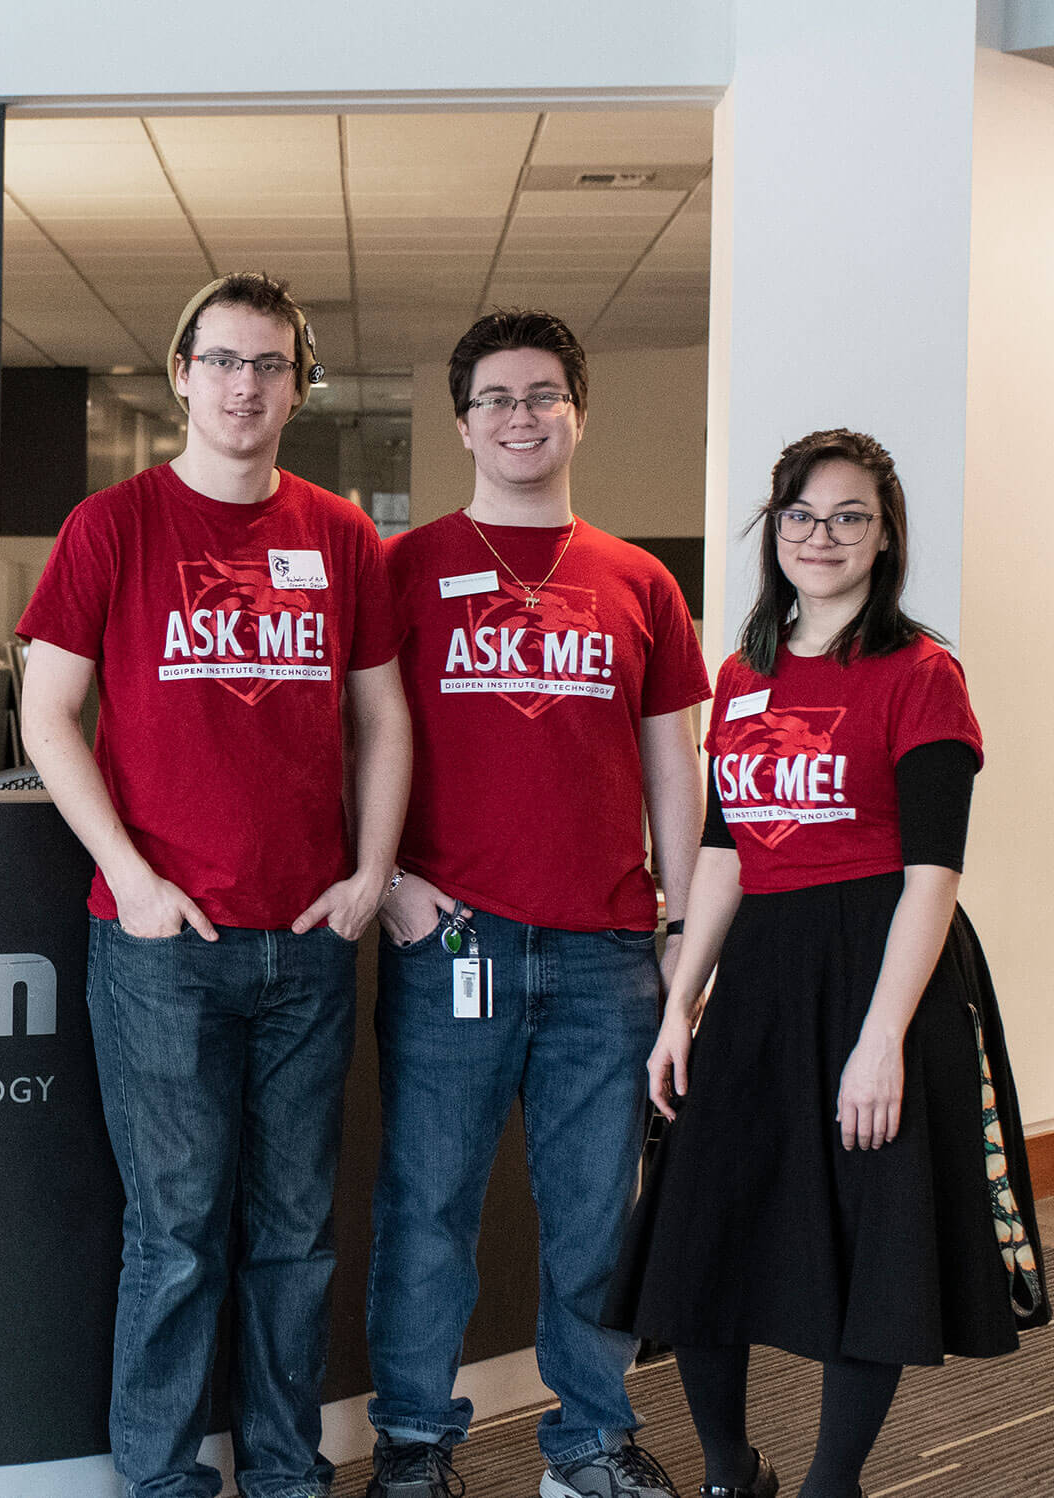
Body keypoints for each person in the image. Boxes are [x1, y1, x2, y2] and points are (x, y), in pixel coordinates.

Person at [15, 271, 408, 1498]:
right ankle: (163, 1482)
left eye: (270, 365)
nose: (245, 386)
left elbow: (383, 720)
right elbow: (45, 715)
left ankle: (290, 1476)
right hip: (160, 944)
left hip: (305, 944)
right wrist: (127, 877)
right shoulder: (111, 527)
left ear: (298, 385)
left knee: (292, 1239)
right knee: (176, 1240)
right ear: (181, 372)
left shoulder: (341, 535)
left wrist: (369, 875)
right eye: (223, 362)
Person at [612, 430, 1049, 1498]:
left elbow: (930, 875)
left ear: (883, 534)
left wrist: (880, 1041)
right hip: (758, 973)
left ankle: (829, 1482)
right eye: (800, 516)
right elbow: (724, 847)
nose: (821, 536)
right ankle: (728, 1469)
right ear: (775, 531)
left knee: (869, 1230)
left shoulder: (920, 672)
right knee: (702, 1229)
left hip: (880, 966)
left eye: (848, 515)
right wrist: (681, 1006)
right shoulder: (744, 672)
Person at [364, 311, 707, 1498]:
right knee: (426, 1210)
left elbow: (676, 766)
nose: (521, 415)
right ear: (462, 423)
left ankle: (588, 1445)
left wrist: (674, 931)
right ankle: (413, 1446)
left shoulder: (640, 582)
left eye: (542, 394)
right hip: (448, 937)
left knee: (592, 1219)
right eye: (497, 397)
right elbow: (344, 742)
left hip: (605, 950)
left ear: (576, 414)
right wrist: (393, 883)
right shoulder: (401, 572)